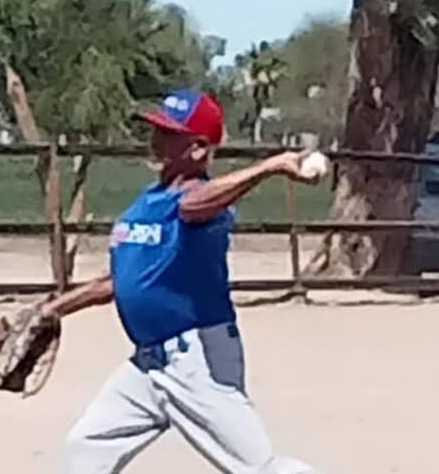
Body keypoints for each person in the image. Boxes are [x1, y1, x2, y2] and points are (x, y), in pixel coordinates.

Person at [41, 88, 321, 473]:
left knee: (258, 467)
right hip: (148, 363)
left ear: (198, 149)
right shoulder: (147, 202)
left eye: (169, 134)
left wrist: (269, 167)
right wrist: (52, 309)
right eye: (157, 130)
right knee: (87, 444)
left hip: (196, 360)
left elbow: (195, 205)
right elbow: (116, 280)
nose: (156, 140)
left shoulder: (206, 205)